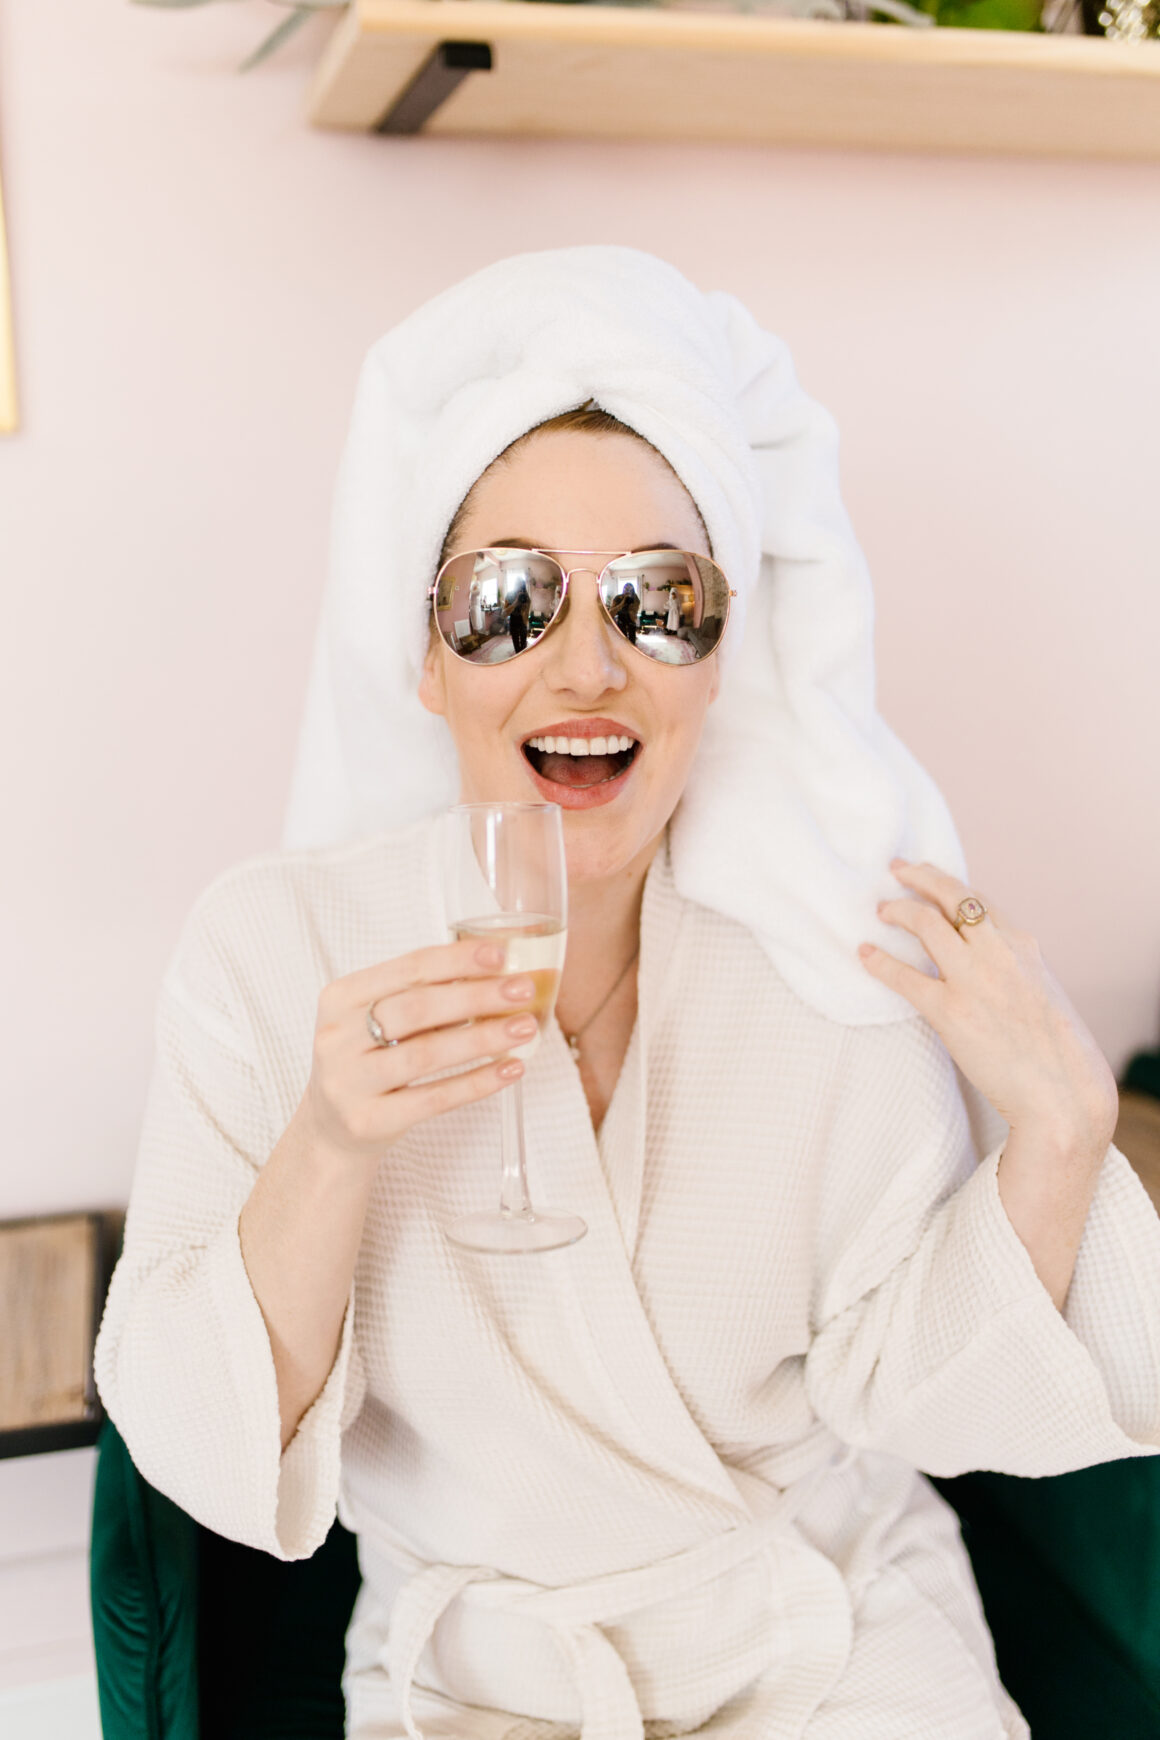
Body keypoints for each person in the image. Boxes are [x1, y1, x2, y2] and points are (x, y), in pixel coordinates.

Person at [95, 248, 1160, 1740]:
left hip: (830, 1636)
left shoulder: (822, 952)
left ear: (723, 657)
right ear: (425, 653)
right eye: (511, 598)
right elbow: (196, 1444)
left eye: (658, 601)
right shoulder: (268, 954)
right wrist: (331, 1146)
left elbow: (914, 1396)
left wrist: (1056, 1140)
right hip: (481, 1680)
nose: (584, 663)